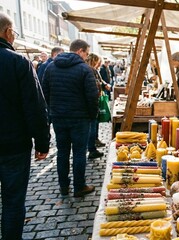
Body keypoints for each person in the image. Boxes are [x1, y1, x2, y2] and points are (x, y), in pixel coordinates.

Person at [0, 13, 50, 239]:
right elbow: (35, 107)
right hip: (13, 146)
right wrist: (42, 142)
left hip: (13, 144)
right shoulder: (17, 61)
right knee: (12, 200)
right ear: (7, 32)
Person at [42, 39, 99, 198]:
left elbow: (44, 91)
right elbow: (92, 96)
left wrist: (54, 108)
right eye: (86, 53)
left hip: (59, 117)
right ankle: (79, 186)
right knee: (79, 153)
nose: (87, 57)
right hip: (79, 118)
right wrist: (91, 115)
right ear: (80, 51)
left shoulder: (51, 67)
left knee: (63, 152)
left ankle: (63, 186)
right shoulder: (84, 69)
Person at [86, 53, 108, 159]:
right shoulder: (89, 70)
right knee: (92, 126)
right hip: (90, 104)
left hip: (90, 103)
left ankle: (93, 144)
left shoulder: (91, 70)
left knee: (93, 125)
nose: (99, 64)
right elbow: (94, 86)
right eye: (98, 61)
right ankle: (91, 148)